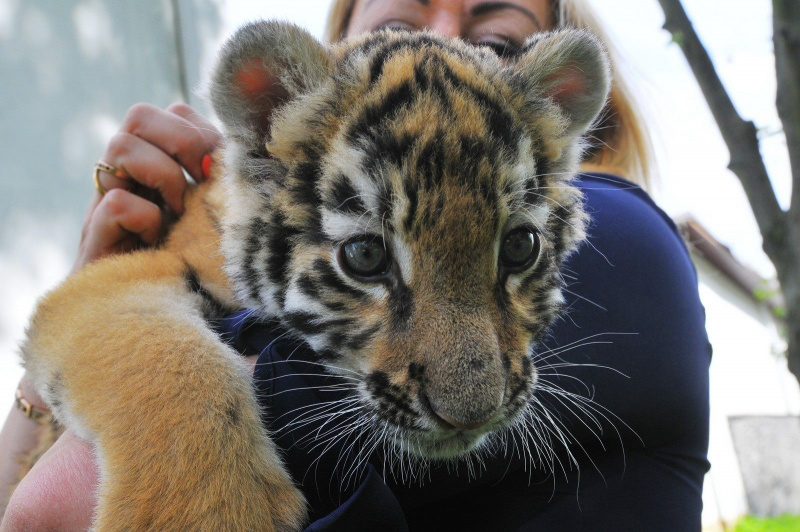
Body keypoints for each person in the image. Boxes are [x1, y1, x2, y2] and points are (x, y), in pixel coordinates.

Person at [1, 0, 711, 530]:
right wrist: (52, 374)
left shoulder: (629, 243)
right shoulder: (254, 218)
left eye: (495, 42)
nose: (470, 393)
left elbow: (44, 511)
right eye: (398, 25)